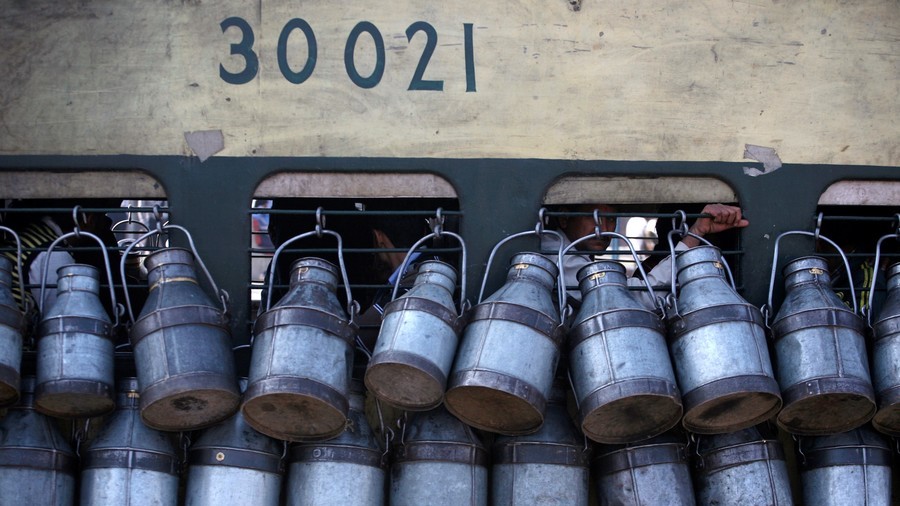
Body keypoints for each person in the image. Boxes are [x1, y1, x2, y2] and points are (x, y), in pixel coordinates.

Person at [543, 203, 749, 309]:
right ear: (563, 217)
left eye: (610, 220)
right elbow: (636, 298)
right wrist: (695, 234)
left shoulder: (565, 251)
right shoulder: (556, 255)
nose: (604, 229)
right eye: (594, 217)